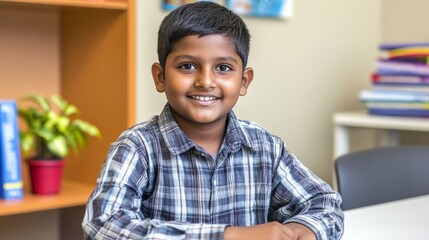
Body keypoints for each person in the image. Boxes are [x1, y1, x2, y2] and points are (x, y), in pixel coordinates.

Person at [82, 2, 344, 239]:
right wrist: (229, 236)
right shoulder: (138, 147)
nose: (205, 81)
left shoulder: (265, 147)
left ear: (244, 81)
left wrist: (306, 229)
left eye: (223, 68)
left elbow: (324, 202)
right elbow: (103, 223)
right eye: (187, 66)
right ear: (160, 77)